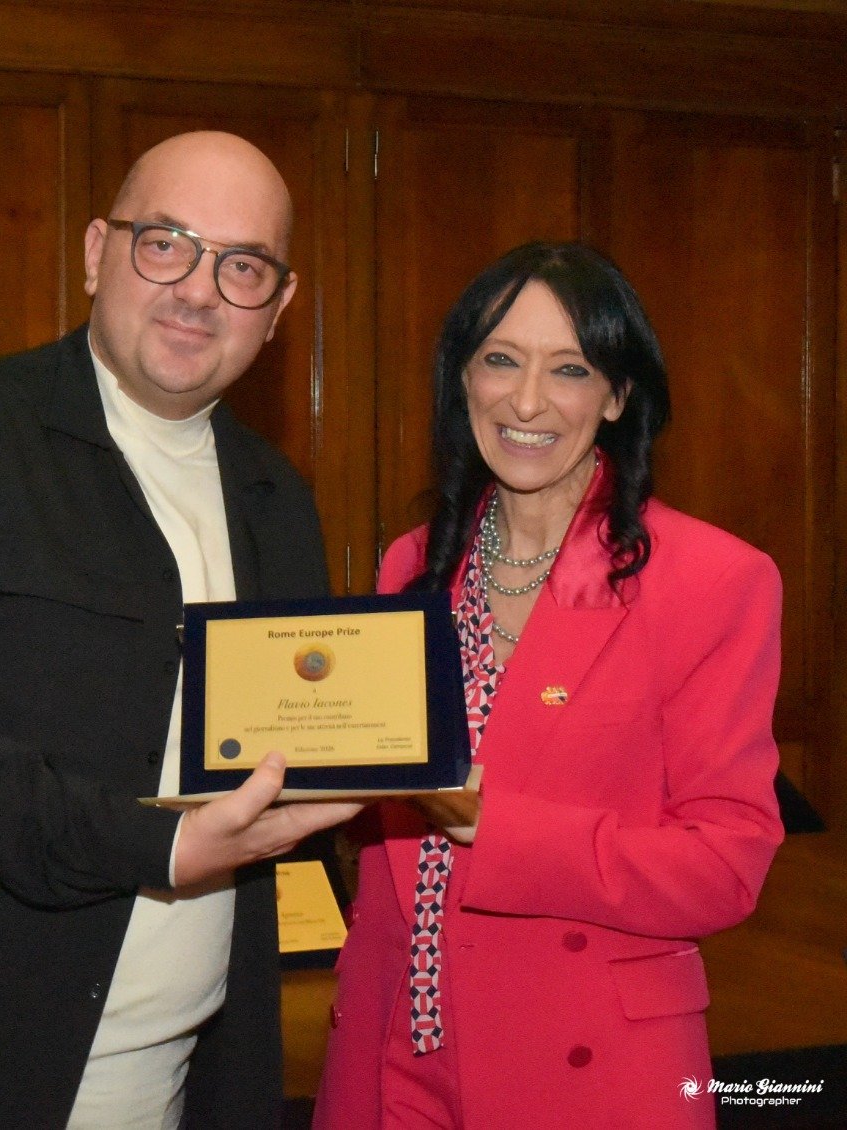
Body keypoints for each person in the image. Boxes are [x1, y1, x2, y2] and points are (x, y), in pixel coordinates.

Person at [0, 131, 361, 1129]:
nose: (198, 291)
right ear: (98, 252)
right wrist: (159, 845)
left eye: (242, 266)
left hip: (186, 1078)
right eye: (167, 244)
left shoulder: (278, 500)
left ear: (279, 309)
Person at [313, 242, 784, 1128]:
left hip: (586, 1062)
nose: (526, 401)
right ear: (462, 379)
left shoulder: (713, 580)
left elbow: (725, 867)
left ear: (617, 396)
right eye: (501, 360)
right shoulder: (412, 565)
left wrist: (492, 824)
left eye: (569, 369)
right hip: (390, 1048)